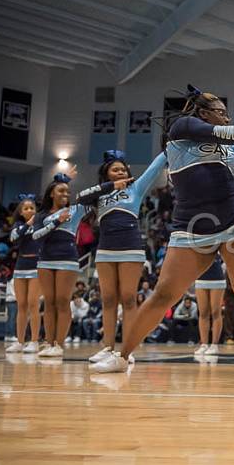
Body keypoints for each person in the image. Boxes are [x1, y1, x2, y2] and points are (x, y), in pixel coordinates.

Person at [90, 85, 234, 374]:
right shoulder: (181, 129)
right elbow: (225, 133)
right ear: (202, 112)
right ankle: (122, 355)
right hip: (191, 228)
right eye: (221, 112)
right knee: (164, 293)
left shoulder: (228, 151)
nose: (226, 118)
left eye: (228, 114)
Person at [82, 149, 167, 365]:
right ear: (107, 173)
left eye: (123, 169)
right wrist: (111, 186)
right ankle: (108, 347)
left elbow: (154, 168)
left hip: (130, 248)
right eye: (115, 169)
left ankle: (127, 350)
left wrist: (169, 147)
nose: (120, 172)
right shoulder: (100, 193)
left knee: (129, 299)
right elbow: (80, 197)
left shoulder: (136, 188)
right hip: (105, 249)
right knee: (108, 299)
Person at [31, 170, 96, 357]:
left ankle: (59, 344)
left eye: (68, 191)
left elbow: (92, 199)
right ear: (51, 193)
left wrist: (72, 183)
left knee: (62, 301)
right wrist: (55, 223)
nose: (65, 194)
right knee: (49, 303)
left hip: (67, 259)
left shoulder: (75, 210)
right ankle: (48, 342)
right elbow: (35, 236)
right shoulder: (41, 215)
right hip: (45, 260)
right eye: (61, 191)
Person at [4, 195, 42, 354]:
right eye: (26, 208)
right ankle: (19, 341)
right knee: (21, 306)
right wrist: (27, 225)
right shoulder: (18, 225)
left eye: (32, 208)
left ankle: (34, 341)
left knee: (33, 304)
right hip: (20, 267)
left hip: (36, 267)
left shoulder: (41, 224)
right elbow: (13, 238)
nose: (29, 210)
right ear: (20, 212)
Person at [193, 255, 226, 356]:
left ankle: (214, 345)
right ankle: (204, 344)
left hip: (217, 277)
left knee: (216, 312)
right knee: (203, 313)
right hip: (201, 276)